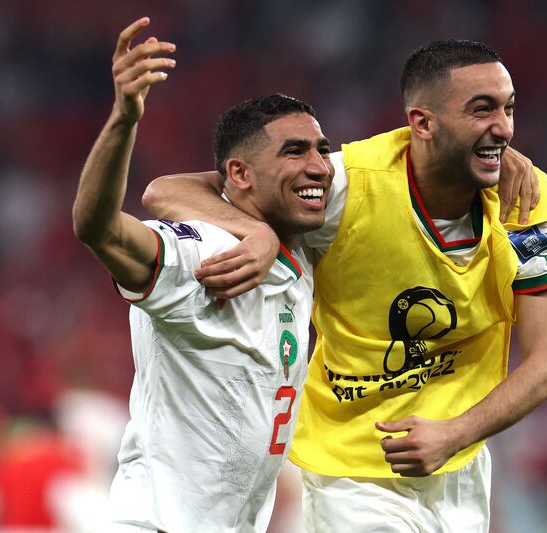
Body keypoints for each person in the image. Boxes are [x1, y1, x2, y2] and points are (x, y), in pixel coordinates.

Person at [144, 40, 547, 532]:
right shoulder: (347, 186)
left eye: (508, 108)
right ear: (423, 123)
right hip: (351, 471)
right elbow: (168, 190)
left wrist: (456, 434)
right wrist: (257, 230)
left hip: (459, 466)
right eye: (482, 110)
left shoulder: (527, 202)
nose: (503, 127)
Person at [71, 17, 333, 532]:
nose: (321, 165)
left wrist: (507, 165)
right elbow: (97, 227)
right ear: (238, 174)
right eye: (295, 151)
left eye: (322, 148)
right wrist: (125, 118)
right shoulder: (205, 252)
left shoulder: (300, 249)